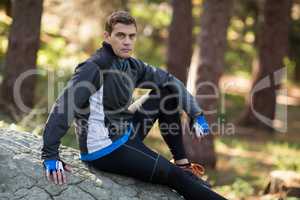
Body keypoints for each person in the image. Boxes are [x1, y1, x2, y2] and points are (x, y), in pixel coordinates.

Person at [41, 11, 228, 200]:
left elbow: (169, 81)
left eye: (131, 36)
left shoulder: (131, 65)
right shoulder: (93, 67)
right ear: (107, 37)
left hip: (124, 132)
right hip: (104, 149)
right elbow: (63, 107)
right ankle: (182, 173)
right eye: (120, 35)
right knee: (176, 178)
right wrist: (50, 155)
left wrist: (196, 114)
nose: (127, 41)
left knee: (166, 92)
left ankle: (182, 163)